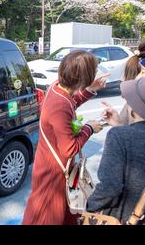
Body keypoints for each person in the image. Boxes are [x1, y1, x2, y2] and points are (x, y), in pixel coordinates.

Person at [23, 50, 108, 225]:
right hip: (53, 172)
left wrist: (91, 89)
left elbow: (72, 101)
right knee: (48, 214)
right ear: (82, 78)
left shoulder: (57, 87)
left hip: (50, 162)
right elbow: (70, 149)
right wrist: (89, 128)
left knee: (63, 212)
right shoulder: (60, 104)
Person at [87, 75, 145, 225]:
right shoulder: (122, 134)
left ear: (135, 109)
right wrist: (119, 125)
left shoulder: (119, 137)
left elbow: (110, 188)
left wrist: (89, 206)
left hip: (123, 218)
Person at [102, 54, 145, 127]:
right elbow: (128, 132)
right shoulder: (135, 100)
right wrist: (118, 124)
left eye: (143, 72)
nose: (137, 77)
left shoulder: (138, 101)